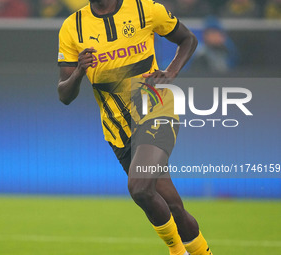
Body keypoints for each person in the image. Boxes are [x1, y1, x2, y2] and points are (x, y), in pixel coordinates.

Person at [57, 0, 213, 255]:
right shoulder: (72, 26)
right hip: (117, 127)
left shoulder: (145, 9)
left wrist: (171, 72)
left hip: (154, 106)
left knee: (139, 186)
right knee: (169, 203)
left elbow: (188, 39)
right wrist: (78, 73)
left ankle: (176, 252)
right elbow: (64, 94)